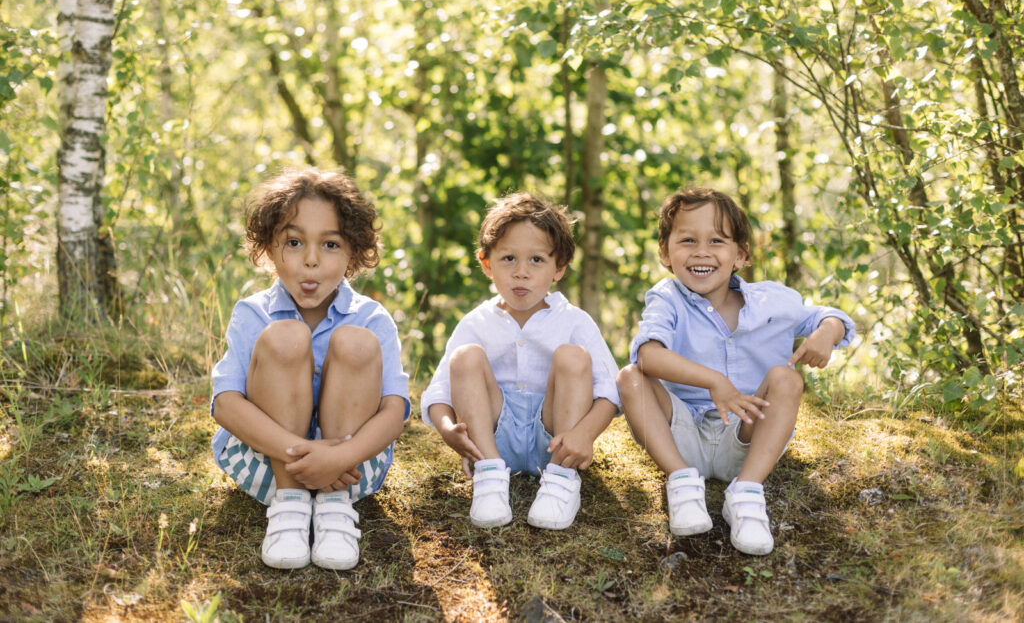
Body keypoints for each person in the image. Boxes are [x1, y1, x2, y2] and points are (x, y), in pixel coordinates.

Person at [617, 186, 854, 555]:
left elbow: (828, 316)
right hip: (682, 434)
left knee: (786, 378)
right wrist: (714, 381)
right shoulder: (667, 298)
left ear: (740, 254)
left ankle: (745, 492)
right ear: (665, 252)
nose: (701, 251)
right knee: (629, 375)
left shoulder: (771, 299)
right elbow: (648, 355)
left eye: (717, 240)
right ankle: (680, 479)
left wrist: (827, 332)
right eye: (687, 240)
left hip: (747, 435)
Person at [210, 170, 408, 570]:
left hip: (350, 469)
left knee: (355, 342)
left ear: (353, 254)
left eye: (330, 244)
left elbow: (394, 411)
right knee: (286, 337)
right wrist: (303, 456)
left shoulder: (372, 318)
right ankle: (290, 505)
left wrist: (340, 456)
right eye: (295, 242)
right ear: (269, 248)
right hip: (267, 461)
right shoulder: (252, 313)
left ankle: (335, 511)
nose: (311, 259)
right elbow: (225, 404)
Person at [421, 193, 620, 530]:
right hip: (492, 438)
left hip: (555, 436)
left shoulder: (574, 321)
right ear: (486, 264)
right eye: (509, 258)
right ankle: (489, 477)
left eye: (537, 261)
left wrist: (583, 434)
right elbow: (439, 393)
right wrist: (447, 430)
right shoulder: (476, 322)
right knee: (465, 357)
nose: (521, 273)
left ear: (559, 269)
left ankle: (561, 478)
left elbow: (610, 393)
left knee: (572, 356)